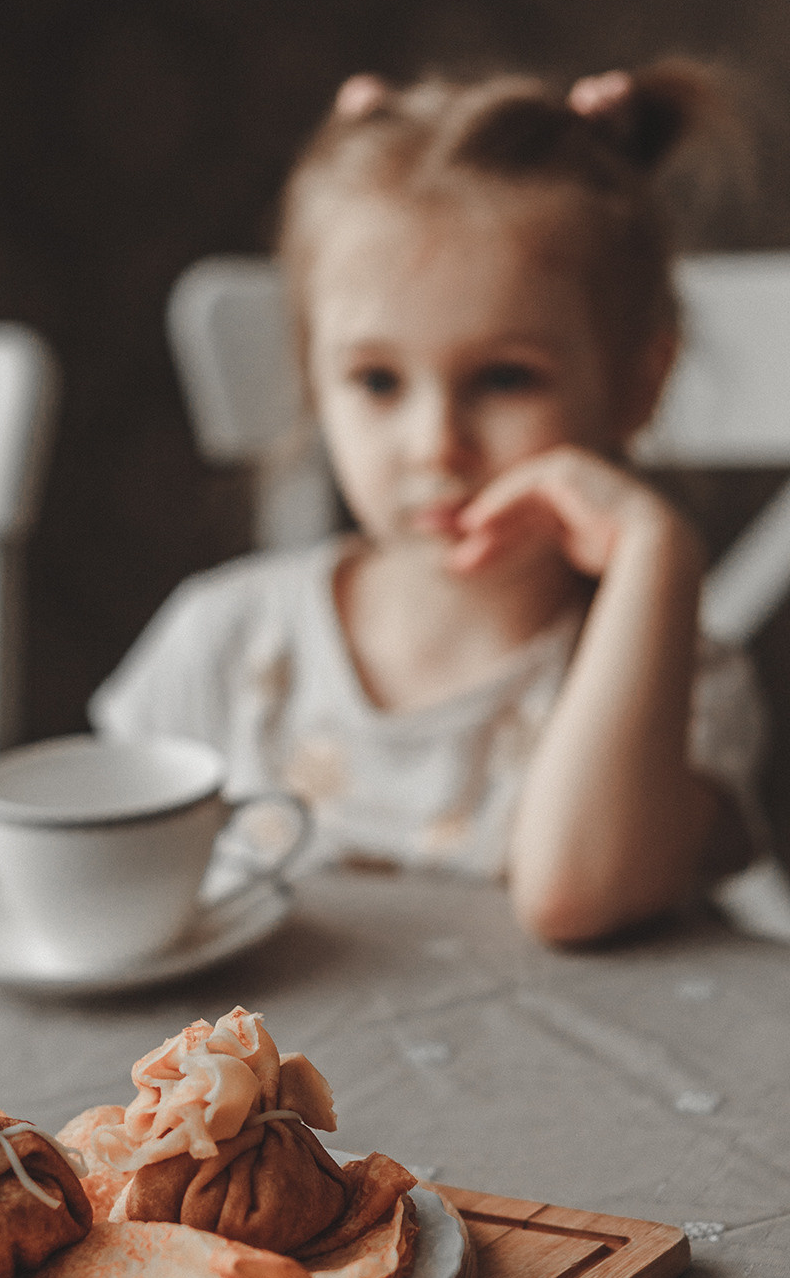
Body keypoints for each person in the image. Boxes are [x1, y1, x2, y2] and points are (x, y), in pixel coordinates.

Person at [88, 63, 765, 944]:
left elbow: (579, 895)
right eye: (376, 380)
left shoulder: (674, 677)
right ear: (312, 377)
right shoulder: (228, 642)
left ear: (639, 384)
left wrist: (652, 551)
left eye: (505, 378)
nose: (435, 444)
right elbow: (98, 886)